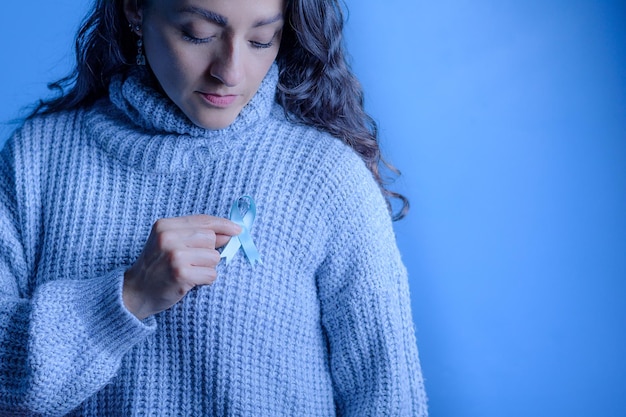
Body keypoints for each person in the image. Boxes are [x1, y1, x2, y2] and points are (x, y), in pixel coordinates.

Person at [0, 0, 428, 415]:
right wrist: (129, 297)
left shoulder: (327, 176)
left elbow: (389, 399)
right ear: (134, 7)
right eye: (198, 34)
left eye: (262, 40)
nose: (230, 72)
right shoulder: (35, 159)